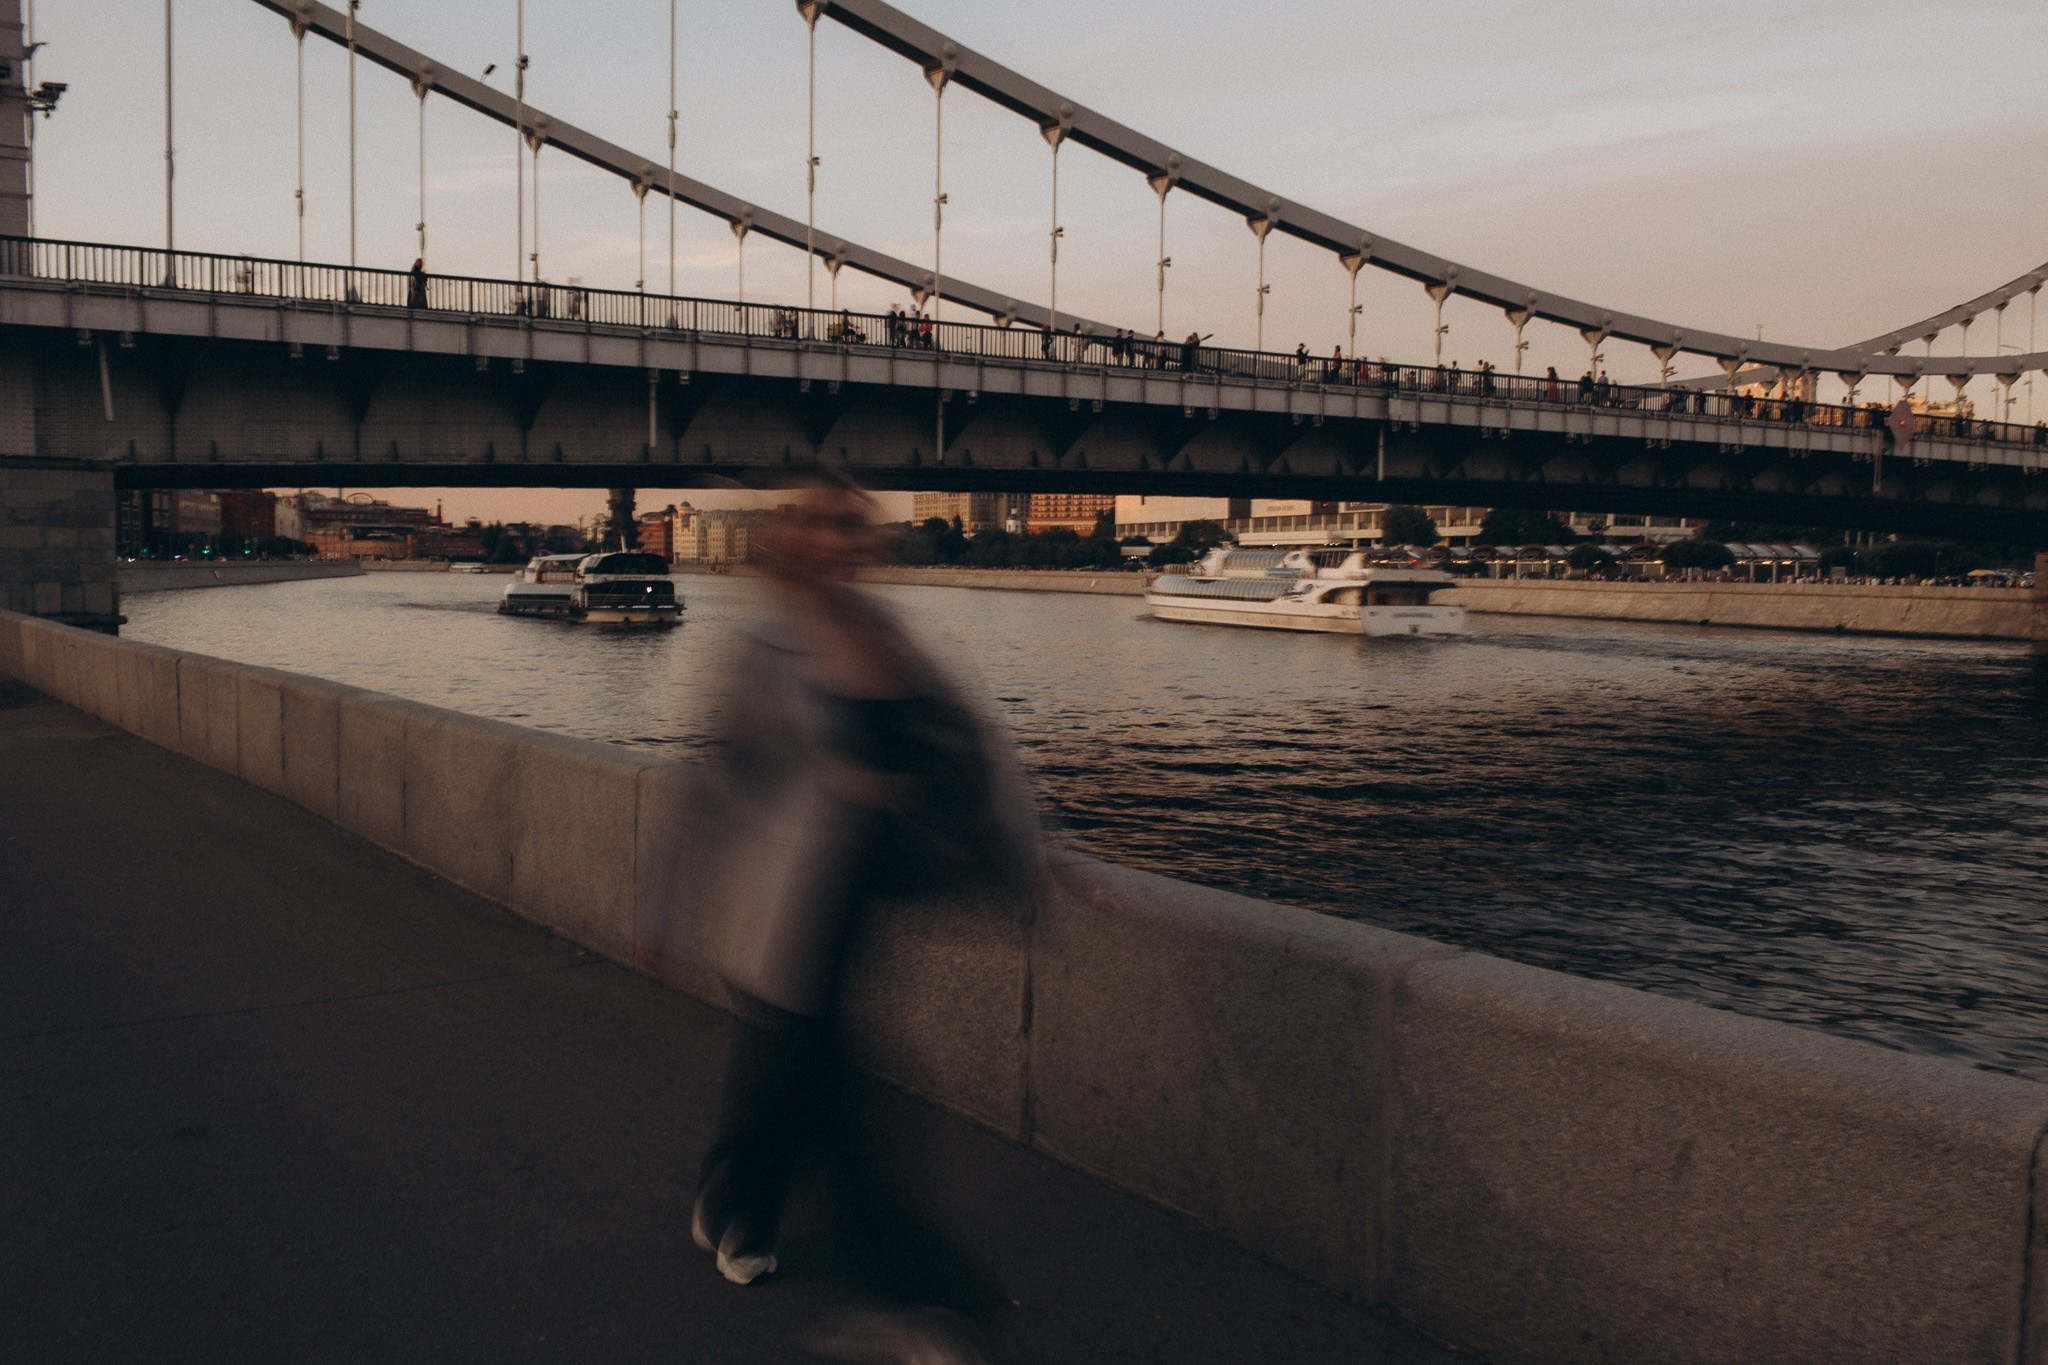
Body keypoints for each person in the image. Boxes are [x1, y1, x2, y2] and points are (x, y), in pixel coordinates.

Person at [688, 475, 1042, 1364]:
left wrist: (1034, 854)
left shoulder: (887, 636)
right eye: (819, 522)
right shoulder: (765, 649)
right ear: (791, 535)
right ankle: (914, 1305)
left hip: (862, 900)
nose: (837, 538)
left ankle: (732, 1202)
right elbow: (715, 790)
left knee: (782, 1076)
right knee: (841, 1108)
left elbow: (974, 749)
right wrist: (663, 912)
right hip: (779, 906)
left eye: (853, 524)